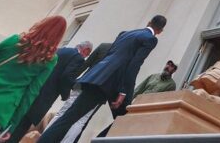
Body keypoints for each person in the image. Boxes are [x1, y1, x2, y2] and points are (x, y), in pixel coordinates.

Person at [38, 15, 166, 143]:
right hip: (110, 83)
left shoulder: (125, 34)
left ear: (149, 22)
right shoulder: (150, 39)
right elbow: (134, 65)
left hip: (98, 78)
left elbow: (110, 56)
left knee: (72, 117)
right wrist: (123, 91)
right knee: (72, 117)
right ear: (160, 31)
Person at [0, 16, 66, 143]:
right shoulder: (49, 60)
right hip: (1, 110)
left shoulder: (14, 40)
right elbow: (30, 94)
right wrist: (11, 127)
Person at [7, 41, 92, 143]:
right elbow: (66, 77)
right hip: (44, 97)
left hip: (34, 89)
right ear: (86, 50)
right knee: (21, 127)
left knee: (14, 123)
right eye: (88, 53)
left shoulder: (61, 50)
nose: (87, 56)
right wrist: (67, 94)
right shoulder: (78, 58)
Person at [46, 43, 112, 143]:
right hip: (99, 92)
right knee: (80, 121)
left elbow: (85, 65)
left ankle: (45, 139)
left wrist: (72, 83)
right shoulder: (127, 57)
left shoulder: (104, 46)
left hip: (84, 84)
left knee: (62, 113)